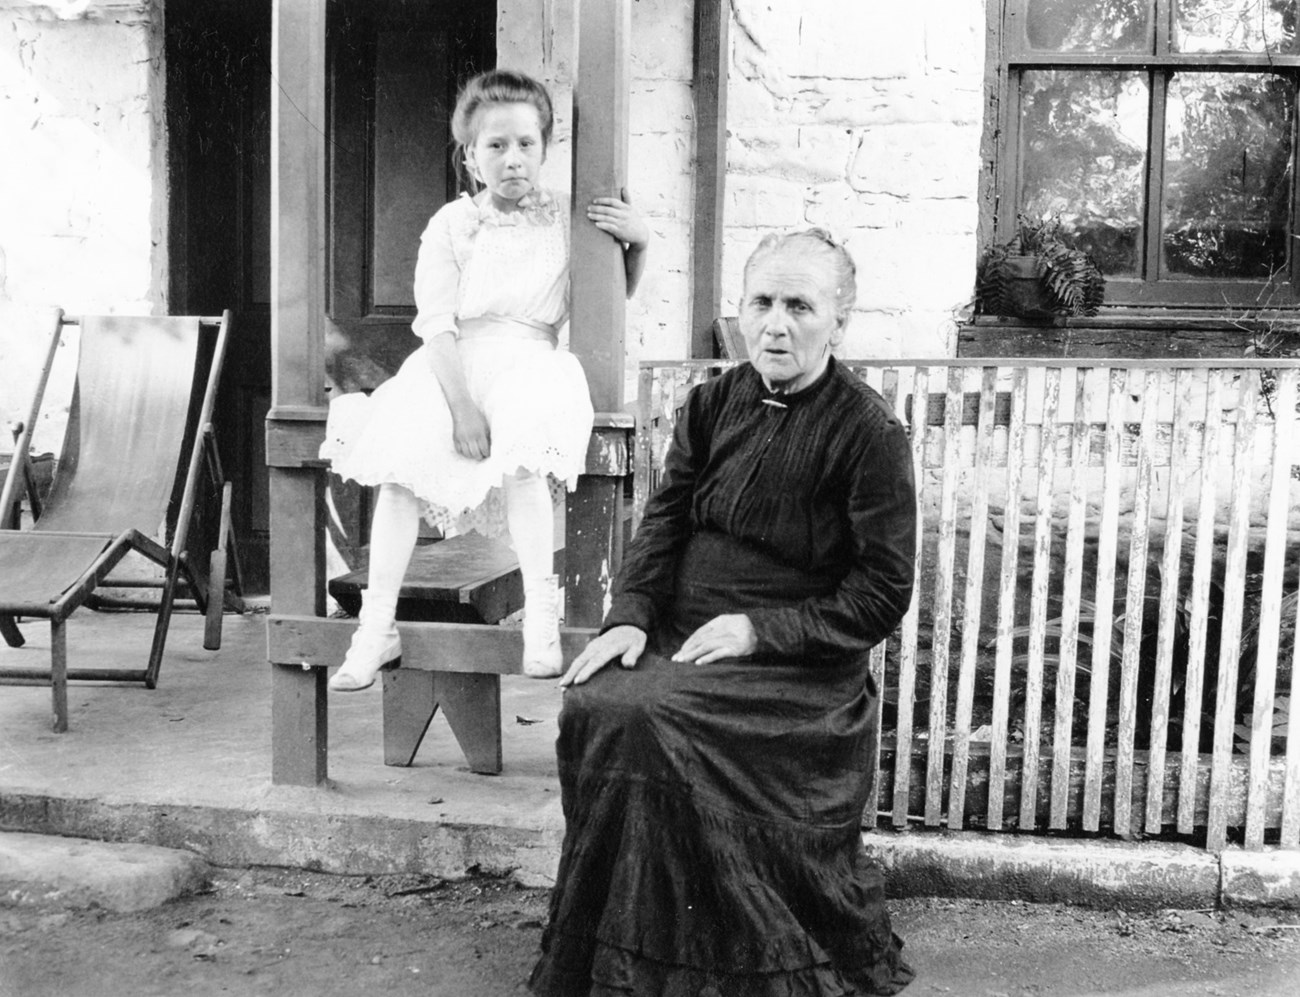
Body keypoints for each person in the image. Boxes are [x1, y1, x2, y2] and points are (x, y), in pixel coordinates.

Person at [529, 229, 918, 997]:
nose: (776, 324)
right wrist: (631, 616)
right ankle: (623, 956)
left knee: (652, 720)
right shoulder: (711, 405)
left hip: (795, 665)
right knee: (599, 701)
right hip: (681, 631)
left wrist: (762, 630)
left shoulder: (868, 432)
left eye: (800, 306)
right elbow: (664, 522)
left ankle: (713, 961)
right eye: (760, 302)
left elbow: (882, 589)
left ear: (839, 320)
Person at [320, 69, 648, 690]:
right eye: (495, 146)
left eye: (525, 144)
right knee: (400, 472)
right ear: (471, 159)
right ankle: (377, 625)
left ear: (545, 150)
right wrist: (462, 409)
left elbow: (610, 297)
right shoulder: (453, 224)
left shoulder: (565, 221)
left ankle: (540, 618)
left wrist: (641, 245)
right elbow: (436, 326)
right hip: (455, 366)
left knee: (522, 458)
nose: (512, 158)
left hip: (530, 361)